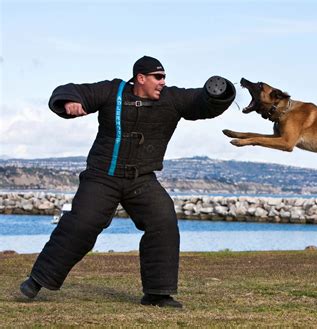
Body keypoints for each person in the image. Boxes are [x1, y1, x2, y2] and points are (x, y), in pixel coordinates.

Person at [19, 56, 236, 308]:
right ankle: (36, 281)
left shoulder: (172, 99)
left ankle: (157, 294)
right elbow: (75, 91)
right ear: (140, 78)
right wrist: (68, 101)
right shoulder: (112, 91)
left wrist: (217, 94)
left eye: (164, 77)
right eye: (158, 77)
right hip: (102, 177)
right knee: (81, 225)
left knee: (163, 221)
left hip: (141, 180)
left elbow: (202, 103)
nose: (163, 82)